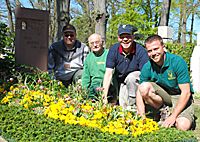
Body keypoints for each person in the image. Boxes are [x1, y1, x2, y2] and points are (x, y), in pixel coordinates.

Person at [136, 35, 194, 131]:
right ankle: (163, 110)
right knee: (143, 87)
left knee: (183, 126)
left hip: (180, 96)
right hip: (164, 96)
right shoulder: (147, 66)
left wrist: (173, 116)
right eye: (150, 51)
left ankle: (175, 114)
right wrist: (142, 118)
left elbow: (186, 92)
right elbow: (139, 91)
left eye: (156, 49)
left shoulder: (177, 62)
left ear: (163, 47)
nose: (153, 53)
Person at [102, 24, 149, 109]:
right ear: (118, 38)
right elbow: (108, 73)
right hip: (120, 80)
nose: (125, 39)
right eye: (122, 37)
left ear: (133, 37)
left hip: (135, 82)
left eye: (128, 36)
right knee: (122, 106)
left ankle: (135, 106)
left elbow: (145, 75)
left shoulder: (141, 50)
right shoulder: (113, 49)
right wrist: (104, 97)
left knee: (131, 77)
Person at [81, 33, 117, 103]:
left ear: (102, 43)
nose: (95, 45)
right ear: (89, 45)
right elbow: (86, 77)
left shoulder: (109, 54)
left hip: (109, 85)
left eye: (97, 42)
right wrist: (83, 91)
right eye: (92, 43)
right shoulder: (88, 58)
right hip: (94, 86)